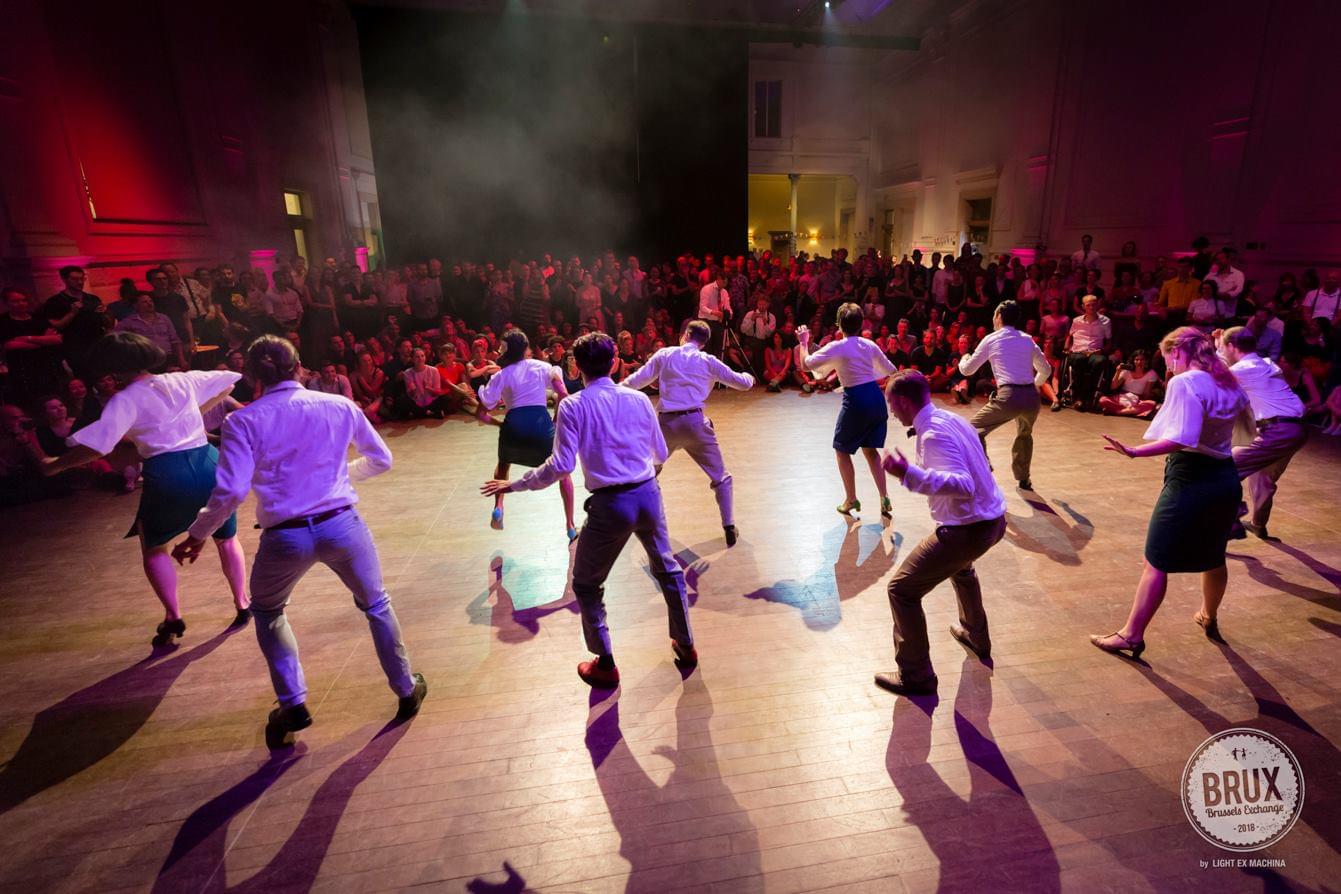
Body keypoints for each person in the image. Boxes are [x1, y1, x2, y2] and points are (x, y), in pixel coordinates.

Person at [172, 335, 426, 749]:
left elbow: (232, 491)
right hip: (342, 524)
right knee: (376, 605)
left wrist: (198, 534)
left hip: (284, 536)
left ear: (253, 376)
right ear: (299, 367)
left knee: (268, 612)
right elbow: (382, 459)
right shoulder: (339, 406)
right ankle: (405, 688)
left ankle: (293, 703)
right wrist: (339, 478)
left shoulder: (242, 421)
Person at [481, 332, 694, 690]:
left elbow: (560, 466)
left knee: (586, 583)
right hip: (647, 494)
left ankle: (605, 664)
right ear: (614, 362)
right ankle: (686, 644)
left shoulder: (573, 406)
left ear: (576, 367)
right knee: (669, 571)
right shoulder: (640, 399)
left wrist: (513, 485)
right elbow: (659, 453)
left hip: (610, 504)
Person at [37, 332, 248, 643]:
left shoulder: (124, 399)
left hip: (168, 471)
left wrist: (55, 465)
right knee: (226, 537)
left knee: (155, 547)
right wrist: (191, 412)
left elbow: (99, 447)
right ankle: (243, 603)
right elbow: (228, 383)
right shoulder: (182, 380)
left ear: (112, 367)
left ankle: (173, 617)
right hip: (208, 463)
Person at [1092, 327, 1248, 657]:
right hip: (1225, 478)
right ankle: (1208, 615)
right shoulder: (1226, 379)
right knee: (1214, 555)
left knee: (1155, 560)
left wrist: (1134, 452)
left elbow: (1183, 438)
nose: (1168, 367)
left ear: (1176, 351)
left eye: (1166, 359)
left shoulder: (1185, 382)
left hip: (1191, 478)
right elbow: (1244, 427)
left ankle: (1131, 636)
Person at [874, 369, 1007, 696]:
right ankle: (976, 636)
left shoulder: (933, 434)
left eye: (891, 404)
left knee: (902, 590)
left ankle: (916, 676)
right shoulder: (954, 419)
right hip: (993, 521)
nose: (891, 412)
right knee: (961, 568)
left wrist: (909, 473)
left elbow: (963, 484)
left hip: (968, 530)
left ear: (904, 402)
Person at [622, 319, 756, 547]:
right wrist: (749, 376)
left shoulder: (665, 354)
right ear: (703, 343)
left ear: (685, 335)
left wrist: (611, 390)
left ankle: (640, 520)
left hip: (666, 425)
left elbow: (636, 380)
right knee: (721, 477)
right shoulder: (708, 361)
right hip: (695, 423)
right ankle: (729, 526)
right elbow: (743, 383)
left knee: (647, 472)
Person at [796, 303, 897, 519]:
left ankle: (851, 499)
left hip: (856, 400)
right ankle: (884, 497)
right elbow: (892, 370)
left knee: (841, 450)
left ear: (839, 324)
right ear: (861, 324)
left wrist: (803, 342)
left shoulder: (838, 346)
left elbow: (805, 364)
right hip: (875, 399)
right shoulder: (869, 344)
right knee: (871, 451)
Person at [478, 329, 577, 541]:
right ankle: (570, 525)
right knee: (563, 473)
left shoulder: (501, 375)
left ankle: (498, 507)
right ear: (525, 348)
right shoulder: (542, 367)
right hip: (541, 427)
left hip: (513, 427)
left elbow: (481, 413)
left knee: (503, 466)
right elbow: (563, 394)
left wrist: (499, 424)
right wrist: (556, 420)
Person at [1218, 327, 1309, 541]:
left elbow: (1215, 376)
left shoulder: (1244, 369)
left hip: (1279, 431)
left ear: (1231, 346)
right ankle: (1258, 524)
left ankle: (1232, 522)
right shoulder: (1268, 363)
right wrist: (1222, 346)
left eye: (1225, 346)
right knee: (1262, 475)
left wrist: (1218, 349)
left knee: (1222, 470)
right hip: (1296, 429)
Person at [957, 300, 1051, 490]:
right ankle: (1024, 479)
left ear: (999, 316)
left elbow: (967, 370)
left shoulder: (991, 339)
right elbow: (1046, 370)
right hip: (1032, 398)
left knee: (972, 430)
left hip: (1009, 396)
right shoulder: (1027, 339)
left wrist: (964, 357)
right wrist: (1033, 385)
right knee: (1025, 434)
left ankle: (985, 470)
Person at [1062, 295, 1111, 411]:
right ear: (1083, 306)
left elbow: (1109, 342)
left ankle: (1089, 395)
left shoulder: (1106, 321)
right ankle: (1079, 397)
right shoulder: (1076, 321)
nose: (1091, 307)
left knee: (1100, 361)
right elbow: (1069, 336)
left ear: (1098, 305)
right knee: (1079, 360)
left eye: (1094, 304)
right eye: (1088, 305)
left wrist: (1103, 350)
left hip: (1095, 352)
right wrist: (1066, 347)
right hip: (1078, 351)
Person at [1097, 350, 1159, 418]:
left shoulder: (1151, 373)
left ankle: (1118, 412)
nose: (1139, 362)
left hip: (1137, 400)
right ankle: (1129, 412)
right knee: (1103, 400)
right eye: (1136, 360)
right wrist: (1118, 372)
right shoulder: (1126, 371)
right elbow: (1113, 386)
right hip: (1122, 398)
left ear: (1146, 361)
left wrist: (1137, 400)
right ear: (1133, 360)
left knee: (1152, 404)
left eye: (1142, 360)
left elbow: (1146, 395)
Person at [697, 268, 731, 357]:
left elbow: (727, 307)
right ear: (718, 279)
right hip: (706, 321)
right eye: (724, 281)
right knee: (707, 349)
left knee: (719, 348)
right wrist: (713, 312)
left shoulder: (724, 292)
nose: (725, 283)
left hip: (718, 322)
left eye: (726, 282)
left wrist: (729, 314)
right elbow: (702, 307)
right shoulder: (706, 289)